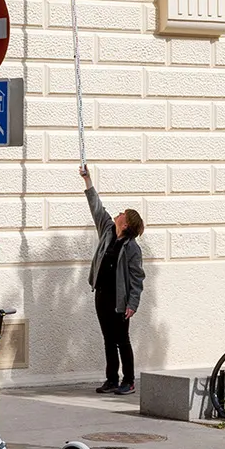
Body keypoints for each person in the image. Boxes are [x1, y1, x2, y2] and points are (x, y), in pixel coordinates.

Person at [80, 162, 144, 395]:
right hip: (102, 295)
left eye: (122, 214)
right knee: (108, 338)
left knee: (122, 340)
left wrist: (132, 304)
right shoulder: (107, 229)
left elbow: (137, 279)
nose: (117, 214)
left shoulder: (132, 249)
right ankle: (111, 379)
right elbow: (96, 207)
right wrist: (88, 180)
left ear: (126, 224)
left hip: (120, 300)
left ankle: (128, 380)